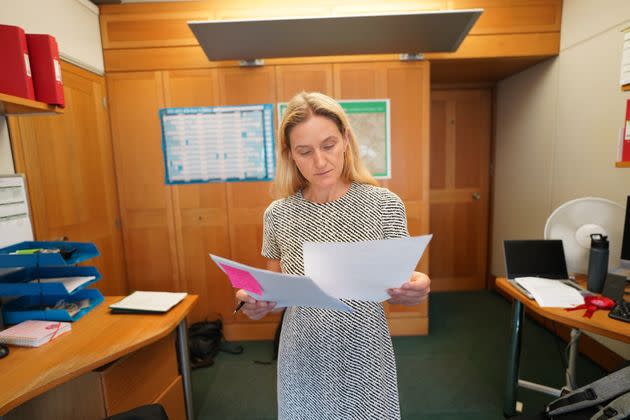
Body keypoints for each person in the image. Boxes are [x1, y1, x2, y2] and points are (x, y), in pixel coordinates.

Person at [235, 91, 430, 419]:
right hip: (302, 351)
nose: (320, 162)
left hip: (365, 350)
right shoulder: (278, 214)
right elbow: (275, 294)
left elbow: (402, 287)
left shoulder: (384, 205)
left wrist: (418, 286)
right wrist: (254, 303)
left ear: (346, 140)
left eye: (328, 145)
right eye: (305, 152)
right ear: (290, 155)